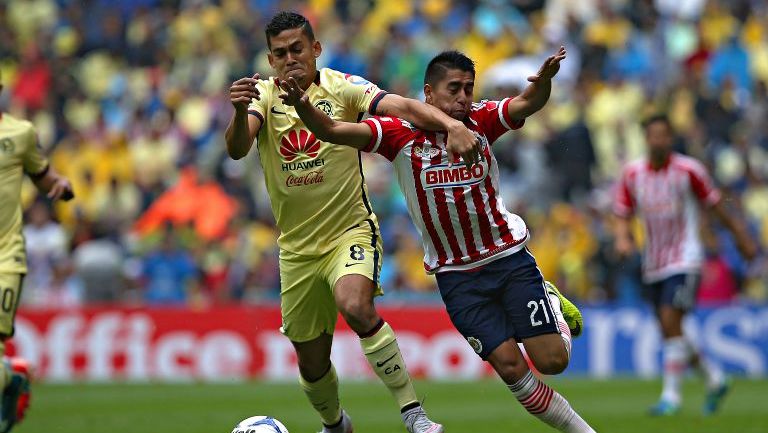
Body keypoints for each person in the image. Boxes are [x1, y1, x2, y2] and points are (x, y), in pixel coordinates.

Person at [279, 48, 597, 433]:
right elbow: (332, 131)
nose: (463, 97)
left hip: (507, 258)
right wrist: (302, 104)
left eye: (468, 88)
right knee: (513, 370)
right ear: (428, 93)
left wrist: (544, 83)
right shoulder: (397, 135)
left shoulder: (481, 119)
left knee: (552, 362)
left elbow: (528, 103)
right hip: (457, 277)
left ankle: (549, 300)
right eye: (454, 89)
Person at [224, 11, 480, 433]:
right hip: (297, 250)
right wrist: (236, 112)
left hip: (350, 231)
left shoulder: (343, 87)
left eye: (297, 49)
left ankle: (414, 415)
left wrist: (452, 124)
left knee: (356, 306)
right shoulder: (262, 97)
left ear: (316, 50)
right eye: (280, 53)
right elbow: (237, 149)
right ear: (271, 60)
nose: (290, 59)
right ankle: (336, 423)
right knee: (311, 361)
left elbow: (405, 107)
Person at [613, 114, 759, 416]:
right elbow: (623, 212)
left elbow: (717, 207)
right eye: (653, 135)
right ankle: (715, 379)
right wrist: (623, 239)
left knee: (670, 320)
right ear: (646, 138)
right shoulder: (633, 174)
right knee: (670, 328)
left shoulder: (689, 170)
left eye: (664, 135)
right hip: (653, 260)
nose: (658, 141)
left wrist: (741, 238)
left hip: (685, 256)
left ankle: (671, 398)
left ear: (671, 138)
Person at [0, 70, 74, 431]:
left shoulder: (20, 133)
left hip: (5, 258)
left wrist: (59, 184)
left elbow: (42, 174)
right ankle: (12, 376)